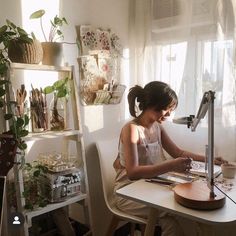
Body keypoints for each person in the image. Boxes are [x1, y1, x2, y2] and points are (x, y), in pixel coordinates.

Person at [113, 81, 227, 236]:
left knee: (179, 216)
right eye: (167, 109)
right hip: (128, 192)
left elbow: (178, 152)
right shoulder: (132, 129)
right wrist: (171, 166)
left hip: (150, 186)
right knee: (176, 212)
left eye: (171, 109)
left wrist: (208, 159)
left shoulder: (157, 127)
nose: (168, 114)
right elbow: (133, 173)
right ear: (152, 105)